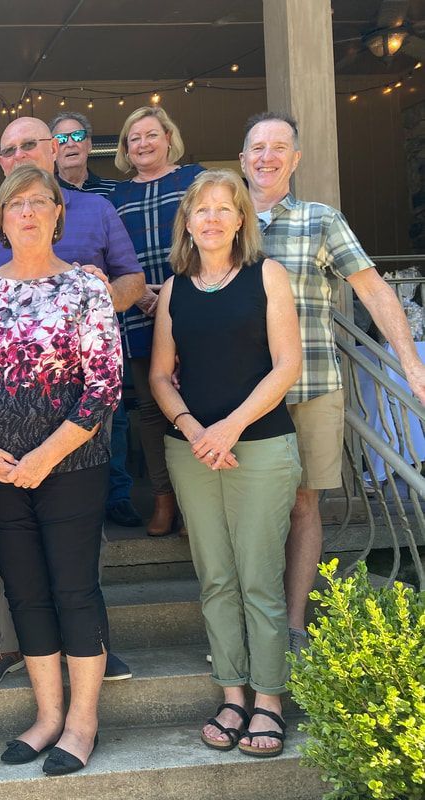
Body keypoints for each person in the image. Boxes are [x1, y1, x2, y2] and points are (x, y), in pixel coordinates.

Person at [0, 117, 142, 689]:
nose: (27, 212)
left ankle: (86, 686)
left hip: (71, 460)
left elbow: (103, 384)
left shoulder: (87, 279)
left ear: (57, 211)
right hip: (0, 464)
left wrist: (45, 456)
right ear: (0, 217)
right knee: (23, 586)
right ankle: (42, 700)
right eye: (16, 205)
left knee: (75, 582)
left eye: (39, 203)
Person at [239, 111, 425, 656]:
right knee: (250, 512)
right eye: (257, 147)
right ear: (244, 156)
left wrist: (411, 366)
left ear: (295, 160)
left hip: (312, 386)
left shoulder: (321, 219)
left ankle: (292, 626)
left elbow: (373, 290)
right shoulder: (223, 216)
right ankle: (253, 621)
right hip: (241, 396)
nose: (267, 157)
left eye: (279, 148)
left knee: (303, 507)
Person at [150, 169, 303, 758]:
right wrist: (194, 430)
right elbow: (161, 375)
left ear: (242, 219)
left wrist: (230, 428)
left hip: (259, 446)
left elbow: (286, 364)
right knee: (216, 578)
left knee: (260, 579)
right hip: (191, 451)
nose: (211, 218)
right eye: (201, 209)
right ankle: (232, 692)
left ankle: (269, 700)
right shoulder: (174, 289)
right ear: (187, 222)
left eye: (224, 208)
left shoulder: (268, 276)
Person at [109, 106, 205, 537]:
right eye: (134, 138)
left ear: (169, 137)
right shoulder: (116, 197)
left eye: (151, 135)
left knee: (198, 403)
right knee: (151, 410)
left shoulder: (194, 181)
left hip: (194, 307)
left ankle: (194, 505)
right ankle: (164, 502)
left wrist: (169, 294)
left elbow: (210, 241)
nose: (143, 144)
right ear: (125, 148)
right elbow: (111, 257)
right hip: (138, 312)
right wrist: (145, 296)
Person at [50, 111, 140, 528]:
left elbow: (127, 269)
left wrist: (111, 294)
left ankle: (117, 494)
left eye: (78, 136)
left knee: (113, 415)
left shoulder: (110, 198)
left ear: (89, 144)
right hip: (48, 343)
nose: (70, 144)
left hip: (100, 333)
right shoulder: (36, 201)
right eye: (61, 138)